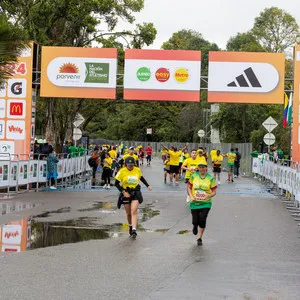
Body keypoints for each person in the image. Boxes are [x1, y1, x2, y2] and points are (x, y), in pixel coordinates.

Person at [114, 156, 152, 239]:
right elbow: (116, 183)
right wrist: (124, 192)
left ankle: (134, 230)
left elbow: (141, 178)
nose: (131, 166)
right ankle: (130, 226)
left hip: (135, 193)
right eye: (129, 165)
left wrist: (148, 185)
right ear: (125, 164)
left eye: (132, 165)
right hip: (126, 193)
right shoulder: (121, 171)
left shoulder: (137, 170)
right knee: (128, 213)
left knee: (134, 211)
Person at [187, 161, 217, 246]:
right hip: (194, 202)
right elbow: (189, 187)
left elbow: (214, 192)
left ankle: (199, 238)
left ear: (206, 168)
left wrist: (209, 195)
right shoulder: (193, 176)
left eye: (203, 167)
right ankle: (195, 225)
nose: (202, 169)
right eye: (200, 167)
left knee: (202, 219)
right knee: (195, 221)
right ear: (198, 168)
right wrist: (191, 196)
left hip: (205, 203)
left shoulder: (210, 178)